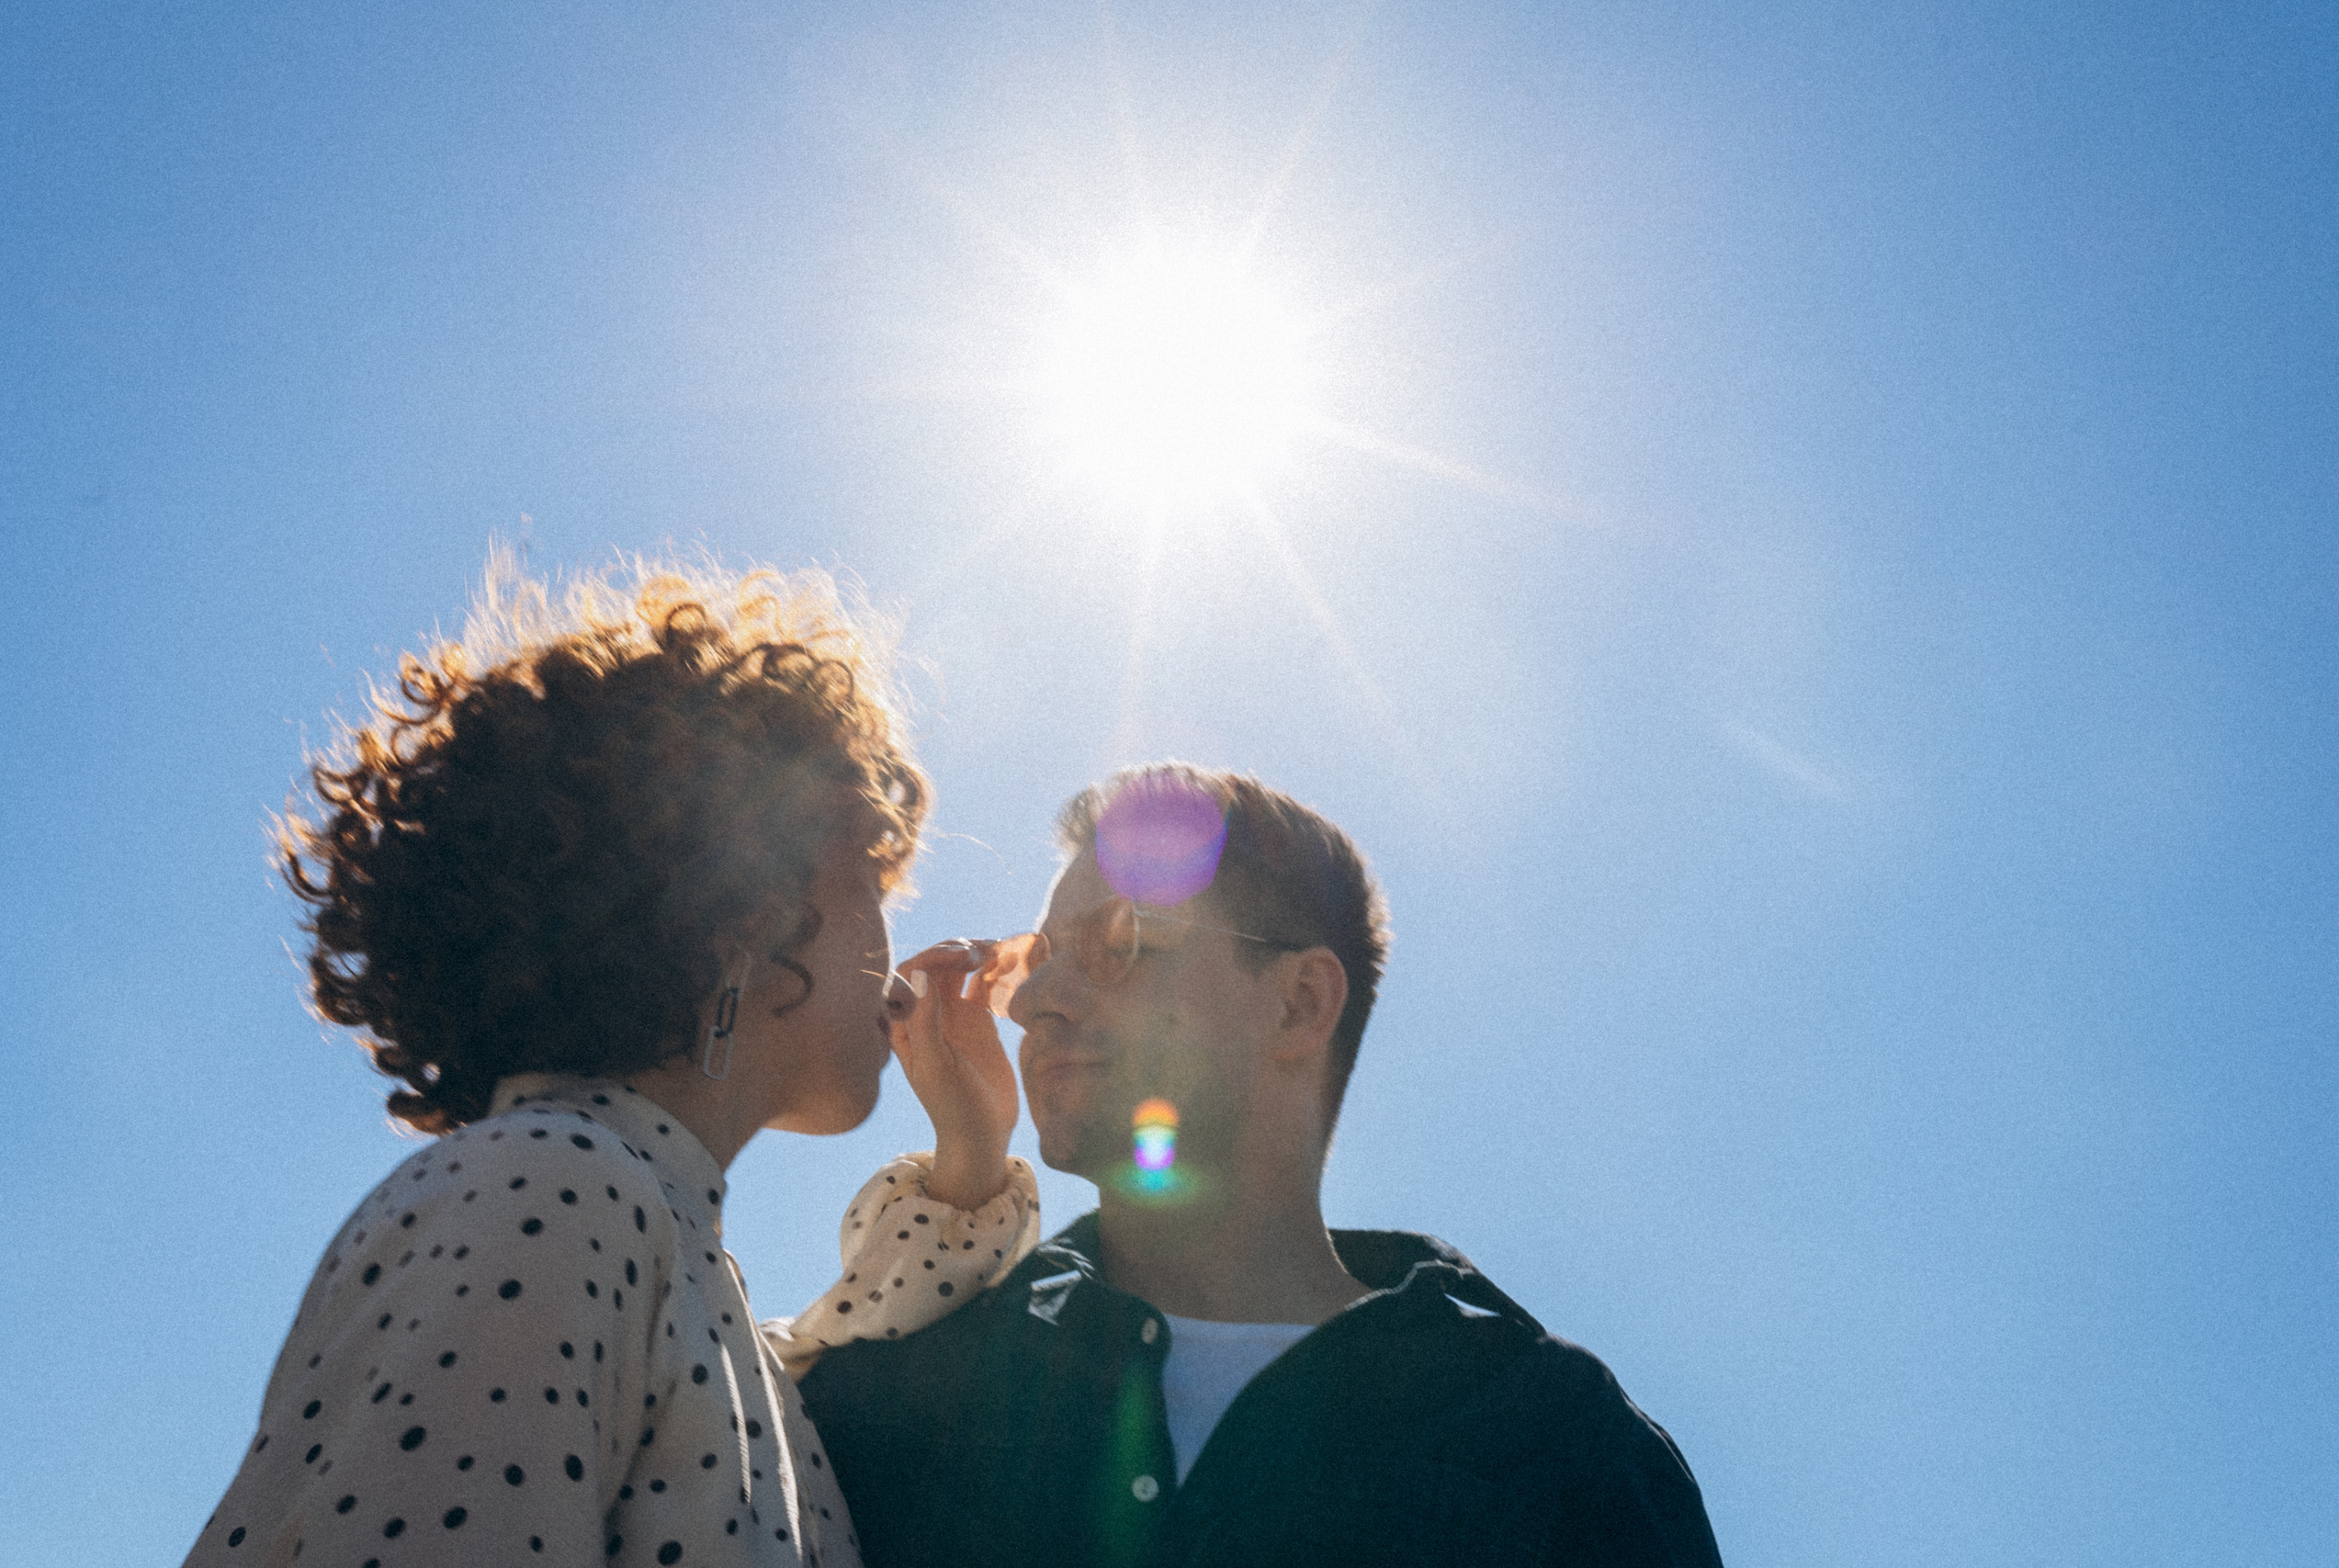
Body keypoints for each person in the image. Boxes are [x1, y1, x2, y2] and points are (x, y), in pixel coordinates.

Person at [184, 559, 1035, 1568]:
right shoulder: (552, 1191)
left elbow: (836, 1363)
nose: (892, 952)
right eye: (869, 881)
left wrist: (969, 1166)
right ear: (742, 910)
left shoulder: (647, 1233)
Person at [796, 763, 1723, 1568]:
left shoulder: (1553, 1442)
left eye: (1119, 943)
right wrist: (964, 1165)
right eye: (1034, 961)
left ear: (1297, 1004)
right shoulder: (901, 1402)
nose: (1034, 999)